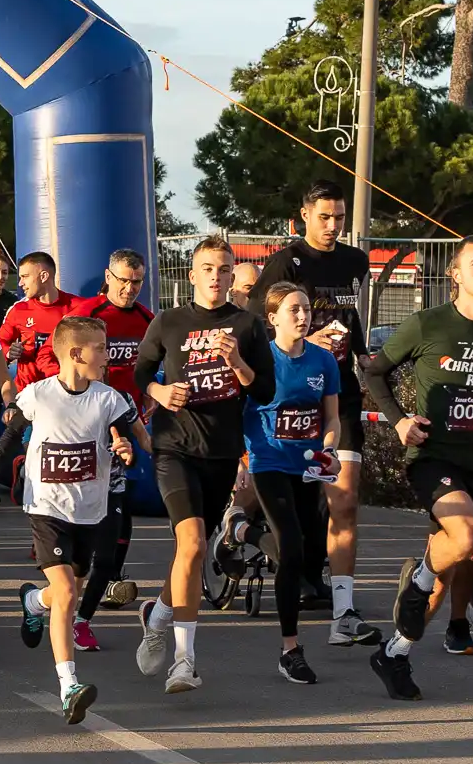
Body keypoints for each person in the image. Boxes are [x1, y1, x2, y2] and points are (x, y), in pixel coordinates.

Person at [360, 237, 473, 691]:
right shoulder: (426, 324)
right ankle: (416, 579)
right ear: (455, 275)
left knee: (455, 561)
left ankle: (393, 653)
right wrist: (398, 422)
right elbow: (374, 371)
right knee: (471, 536)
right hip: (433, 457)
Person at [0, 315, 147, 721]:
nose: (108, 355)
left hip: (91, 508)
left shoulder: (109, 398)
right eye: (100, 348)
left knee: (63, 593)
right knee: (68, 593)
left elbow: (124, 435)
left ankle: (33, 601)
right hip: (46, 507)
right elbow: (10, 436)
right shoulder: (38, 395)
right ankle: (69, 685)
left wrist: (125, 449)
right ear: (75, 353)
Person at [133, 234, 273, 695]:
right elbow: (138, 374)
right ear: (192, 275)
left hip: (221, 453)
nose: (216, 276)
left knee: (189, 555)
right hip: (174, 449)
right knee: (191, 543)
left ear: (233, 277)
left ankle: (157, 613)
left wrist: (236, 363)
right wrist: (158, 392)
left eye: (224, 269)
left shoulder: (248, 326)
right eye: (207, 268)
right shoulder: (168, 322)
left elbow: (265, 391)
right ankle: (185, 661)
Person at [255, 182, 371, 623]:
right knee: (298, 490)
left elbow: (350, 315)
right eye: (324, 217)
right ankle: (245, 524)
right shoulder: (287, 261)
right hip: (295, 391)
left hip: (339, 391)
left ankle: (338, 598)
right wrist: (299, 338)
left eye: (339, 217)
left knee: (342, 499)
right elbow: (256, 317)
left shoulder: (356, 262)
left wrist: (361, 353)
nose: (332, 225)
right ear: (305, 216)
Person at [240, 284, 343, 685]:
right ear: (273, 318)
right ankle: (290, 649)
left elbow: (330, 418)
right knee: (291, 546)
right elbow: (239, 410)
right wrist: (241, 460)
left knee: (313, 551)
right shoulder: (259, 360)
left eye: (306, 309)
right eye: (293, 310)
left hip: (310, 466)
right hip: (269, 463)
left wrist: (330, 447)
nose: (303, 316)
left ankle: (242, 531)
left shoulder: (323, 361)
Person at [77, 247, 155, 636]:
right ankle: (69, 584)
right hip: (84, 424)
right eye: (123, 280)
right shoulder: (88, 316)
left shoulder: (146, 319)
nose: (129, 288)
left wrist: (151, 397)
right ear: (108, 276)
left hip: (127, 421)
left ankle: (106, 578)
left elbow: (156, 368)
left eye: (137, 282)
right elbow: (60, 362)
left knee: (119, 508)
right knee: (86, 515)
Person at [0, 250, 91, 399]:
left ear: (44, 276)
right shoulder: (19, 310)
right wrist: (9, 351)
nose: (20, 283)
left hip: (67, 393)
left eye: (25, 277)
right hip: (29, 395)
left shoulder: (78, 307)